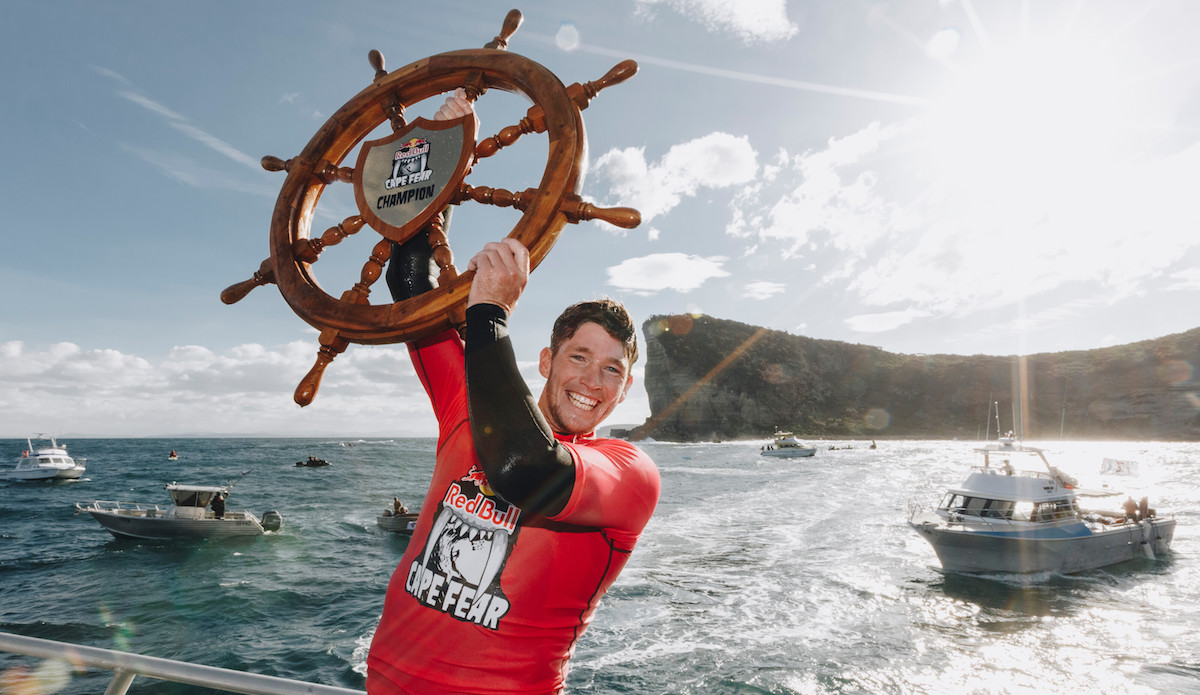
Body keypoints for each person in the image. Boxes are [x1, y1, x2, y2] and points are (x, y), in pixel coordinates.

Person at [366, 93, 660, 695]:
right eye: (579, 357)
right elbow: (409, 281)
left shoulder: (629, 475)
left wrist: (490, 313)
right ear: (548, 361)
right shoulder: (470, 406)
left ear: (626, 390)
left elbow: (523, 467)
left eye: (611, 371)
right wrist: (437, 153)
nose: (591, 382)